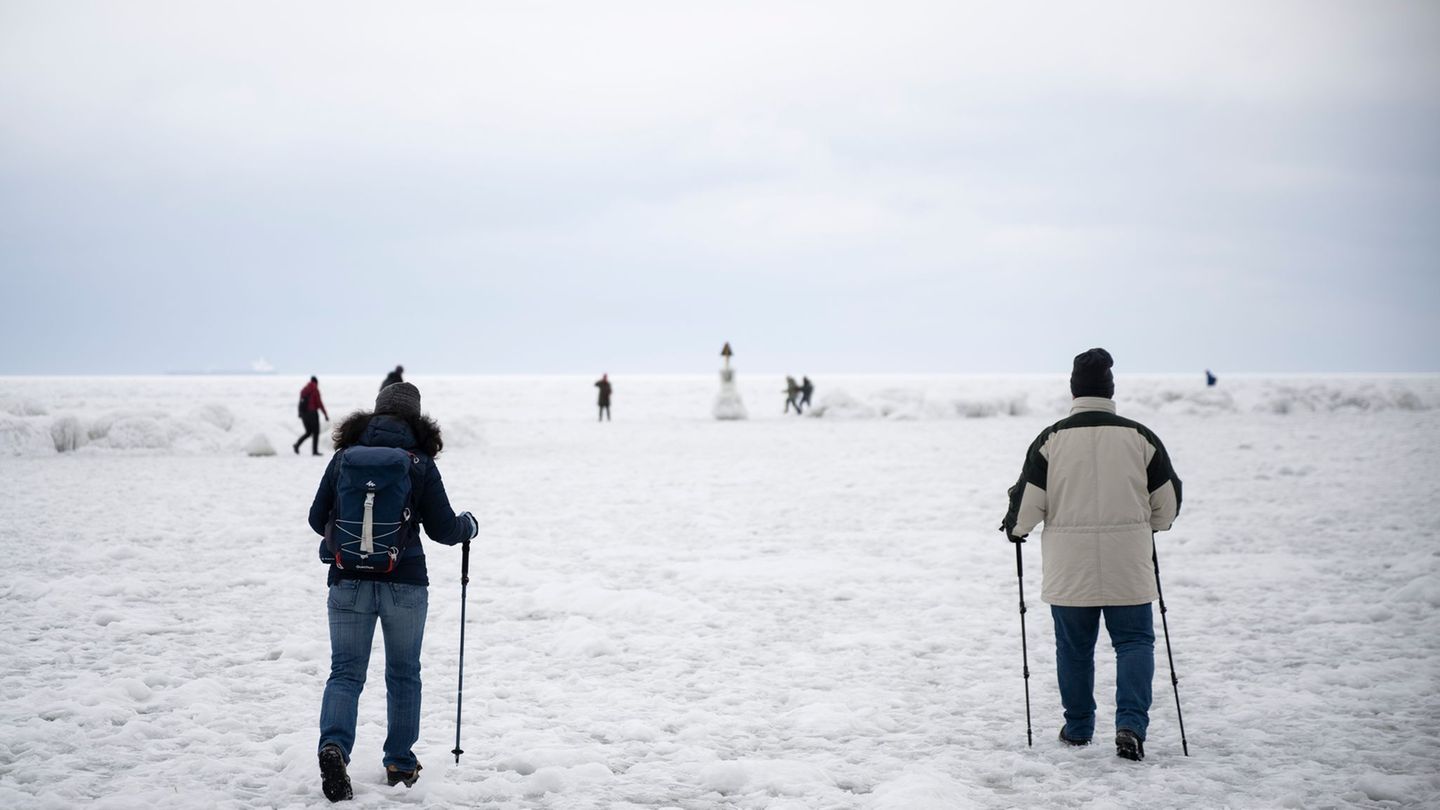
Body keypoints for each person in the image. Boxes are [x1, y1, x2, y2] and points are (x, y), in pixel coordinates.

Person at [1000, 348, 1182, 762]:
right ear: (1110, 389)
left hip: (1070, 565)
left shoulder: (1052, 439)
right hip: (1128, 562)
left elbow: (1028, 502)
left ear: (1073, 390)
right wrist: (1151, 526)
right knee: (1134, 642)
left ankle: (1079, 727)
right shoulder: (1140, 437)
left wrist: (1016, 530)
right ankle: (1130, 726)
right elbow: (1167, 502)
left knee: (1074, 648)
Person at [307, 382, 479, 801]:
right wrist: (468, 526)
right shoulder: (418, 462)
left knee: (345, 672)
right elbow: (442, 529)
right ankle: (400, 763)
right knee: (404, 673)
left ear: (373, 415)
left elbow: (316, 519)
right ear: (417, 419)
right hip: (404, 582)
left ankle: (334, 747)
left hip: (348, 581)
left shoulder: (344, 458)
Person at [294, 376, 331, 456]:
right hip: (312, 413)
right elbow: (319, 403)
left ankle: (297, 445)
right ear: (316, 382)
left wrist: (300, 413)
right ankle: (314, 451)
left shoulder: (304, 390)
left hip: (304, 413)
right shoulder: (315, 390)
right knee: (316, 432)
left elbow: (300, 402)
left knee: (308, 432)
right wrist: (325, 414)